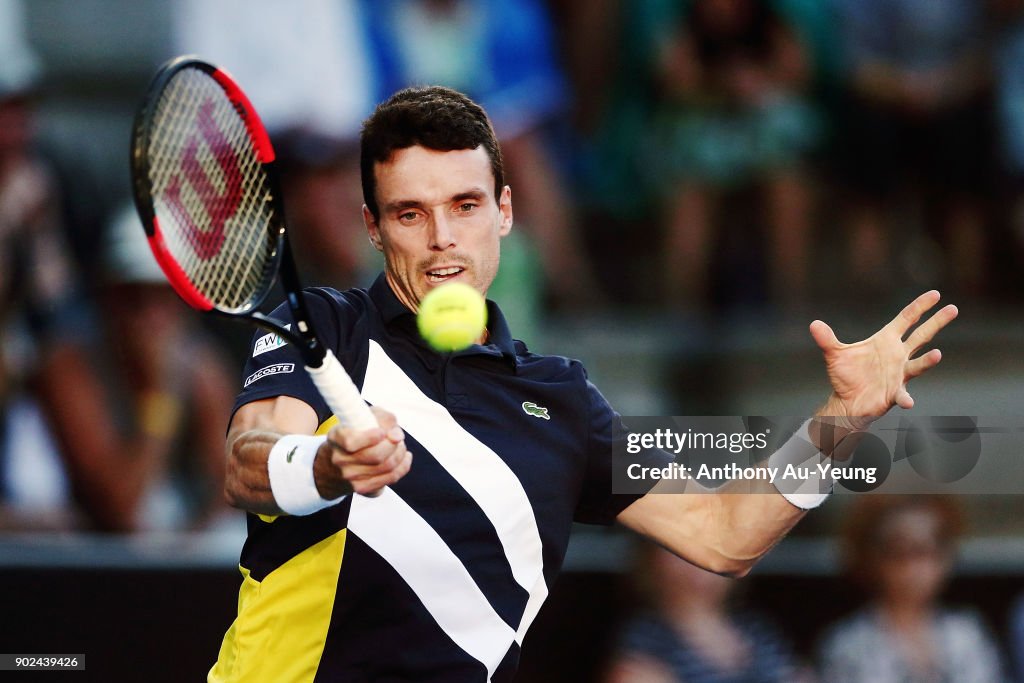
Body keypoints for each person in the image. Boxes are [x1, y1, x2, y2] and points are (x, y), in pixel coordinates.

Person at [208, 85, 957, 682]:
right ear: (374, 227)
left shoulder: (562, 402)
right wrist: (326, 462)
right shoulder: (319, 325)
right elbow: (249, 457)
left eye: (465, 205)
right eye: (411, 213)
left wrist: (841, 416)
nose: (442, 239)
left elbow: (727, 534)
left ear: (505, 211)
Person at [818, 495, 1005, 682]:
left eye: (925, 551)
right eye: (900, 553)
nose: (913, 569)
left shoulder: (967, 634)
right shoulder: (849, 644)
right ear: (871, 558)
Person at [605, 540, 812, 683]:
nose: (699, 564)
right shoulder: (641, 638)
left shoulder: (757, 630)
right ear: (651, 558)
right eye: (679, 549)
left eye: (716, 548)